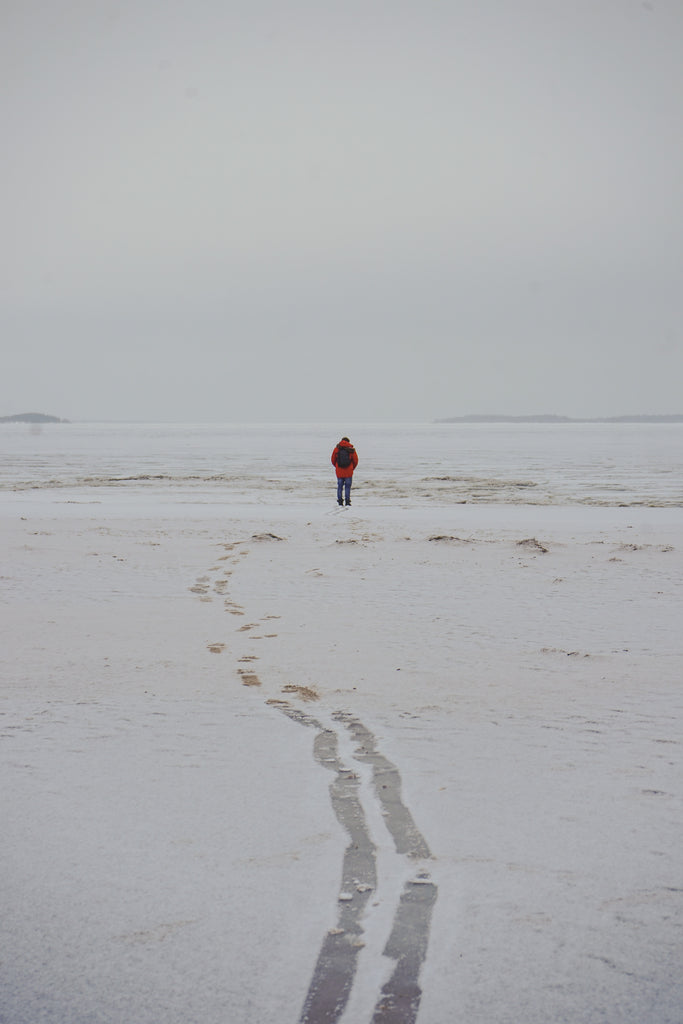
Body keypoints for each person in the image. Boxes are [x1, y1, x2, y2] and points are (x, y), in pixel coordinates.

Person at [331, 436, 358, 506]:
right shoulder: (351, 449)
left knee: (340, 486)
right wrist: (352, 468)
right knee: (347, 487)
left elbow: (333, 460)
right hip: (348, 471)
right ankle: (347, 501)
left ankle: (340, 500)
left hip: (339, 471)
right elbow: (355, 461)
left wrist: (337, 467)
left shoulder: (336, 449)